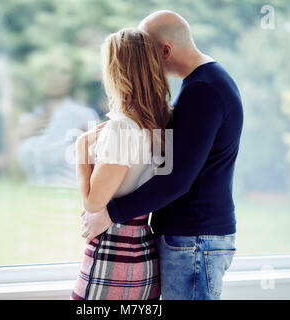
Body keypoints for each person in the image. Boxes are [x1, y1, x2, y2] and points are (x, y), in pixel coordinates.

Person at [82, 10, 244, 300]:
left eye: (147, 52)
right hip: (193, 236)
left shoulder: (203, 91)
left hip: (194, 238)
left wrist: (111, 213)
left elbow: (178, 178)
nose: (143, 62)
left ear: (164, 51)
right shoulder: (205, 83)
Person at [71, 27, 172, 300]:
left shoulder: (122, 129)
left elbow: (93, 203)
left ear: (118, 73)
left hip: (114, 259)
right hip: (142, 254)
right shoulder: (159, 126)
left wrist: (81, 148)